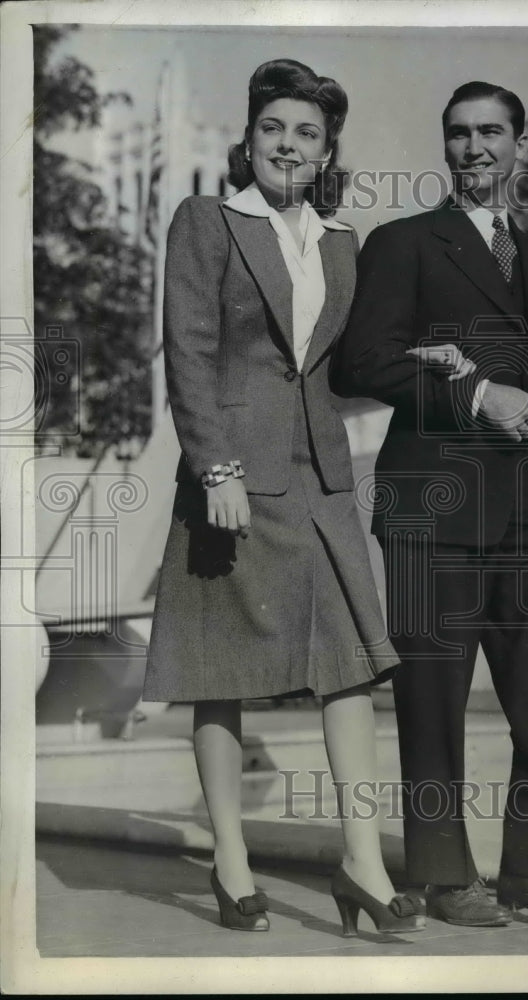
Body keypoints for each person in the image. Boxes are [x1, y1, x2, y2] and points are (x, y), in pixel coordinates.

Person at [142, 58, 424, 939]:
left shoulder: (339, 239)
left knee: (350, 666)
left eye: (307, 133)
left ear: (328, 147)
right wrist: (215, 469)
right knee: (219, 674)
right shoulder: (208, 220)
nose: (289, 146)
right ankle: (230, 863)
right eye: (274, 130)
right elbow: (186, 349)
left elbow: (338, 366)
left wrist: (430, 363)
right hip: (232, 477)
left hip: (321, 476)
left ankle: (363, 863)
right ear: (251, 138)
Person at [332, 81, 528, 930]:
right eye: (458, 134)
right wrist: (476, 392)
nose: (474, 148)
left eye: (491, 132)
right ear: (444, 146)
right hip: (435, 517)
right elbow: (359, 364)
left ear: (519, 144)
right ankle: (447, 876)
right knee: (434, 702)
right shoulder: (405, 243)